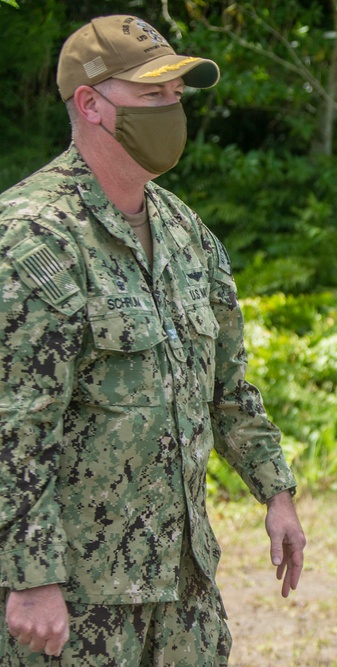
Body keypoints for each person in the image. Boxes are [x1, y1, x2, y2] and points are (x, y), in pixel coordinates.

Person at [0, 15, 306, 664]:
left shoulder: (185, 234)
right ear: (92, 105)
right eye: (153, 95)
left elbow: (228, 389)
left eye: (176, 96)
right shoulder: (32, 236)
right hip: (77, 597)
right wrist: (29, 577)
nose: (173, 110)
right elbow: (15, 426)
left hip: (182, 587)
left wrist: (275, 490)